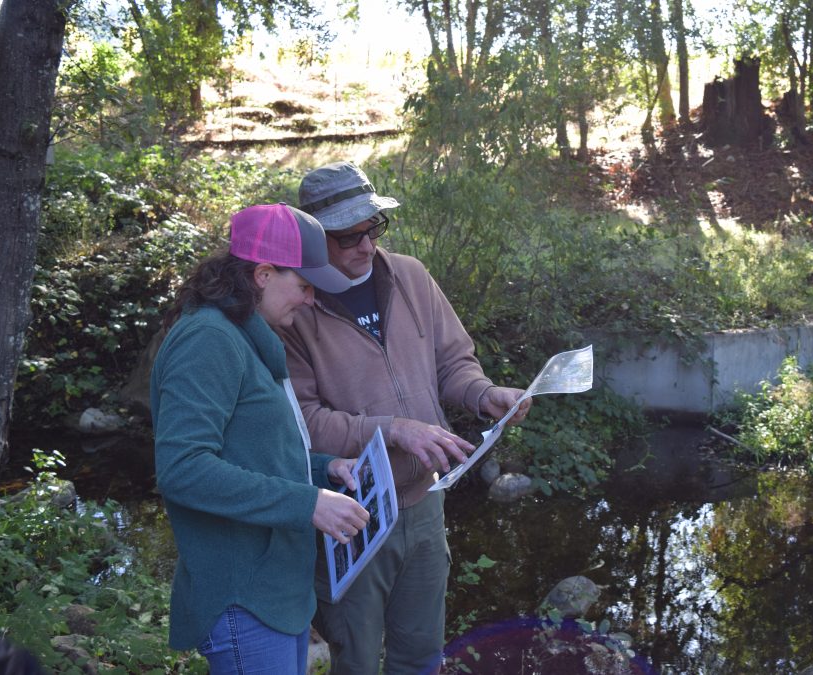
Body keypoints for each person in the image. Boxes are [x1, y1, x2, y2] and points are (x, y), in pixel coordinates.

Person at [279, 161, 532, 674]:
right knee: (356, 660)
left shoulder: (411, 275)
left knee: (421, 655)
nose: (366, 247)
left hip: (424, 503)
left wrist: (484, 395)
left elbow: (452, 362)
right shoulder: (291, 307)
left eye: (374, 229)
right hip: (350, 516)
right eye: (349, 237)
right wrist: (393, 429)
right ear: (314, 239)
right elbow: (302, 425)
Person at [151, 203, 371, 674]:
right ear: (264, 274)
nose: (310, 300)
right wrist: (308, 503)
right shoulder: (208, 340)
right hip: (242, 598)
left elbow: (256, 450)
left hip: (274, 593)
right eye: (304, 285)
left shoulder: (249, 336)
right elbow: (183, 468)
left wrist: (324, 469)